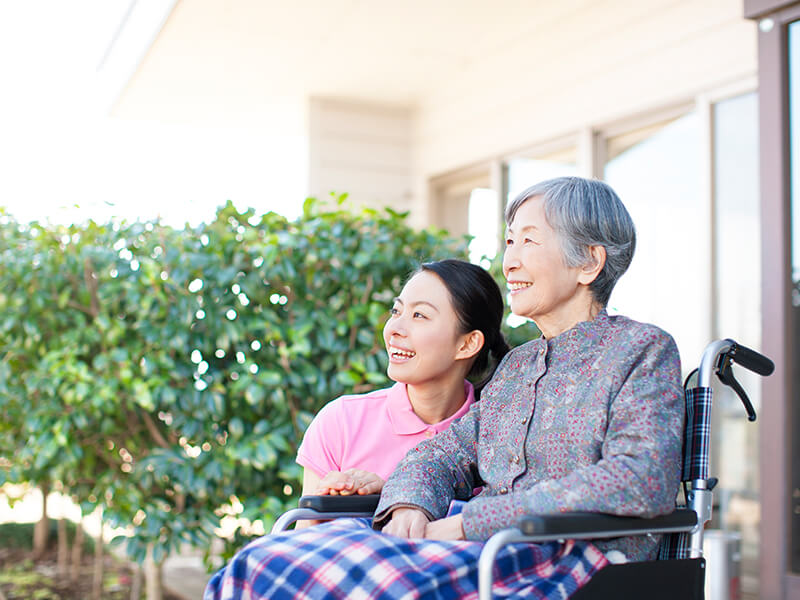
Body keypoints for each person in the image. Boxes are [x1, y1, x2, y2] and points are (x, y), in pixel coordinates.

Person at [205, 177, 684, 600]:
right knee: (269, 560)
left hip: (571, 561)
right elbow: (444, 453)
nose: (510, 260)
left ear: (589, 263)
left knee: (357, 582)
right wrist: (411, 501)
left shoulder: (640, 349)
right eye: (510, 241)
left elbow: (639, 478)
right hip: (490, 550)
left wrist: (469, 524)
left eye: (529, 241)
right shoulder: (518, 366)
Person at [295, 259, 509, 507]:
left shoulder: (501, 435)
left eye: (419, 315)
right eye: (396, 311)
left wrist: (395, 497)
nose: (394, 328)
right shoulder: (341, 421)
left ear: (467, 344)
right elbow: (306, 534)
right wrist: (331, 502)